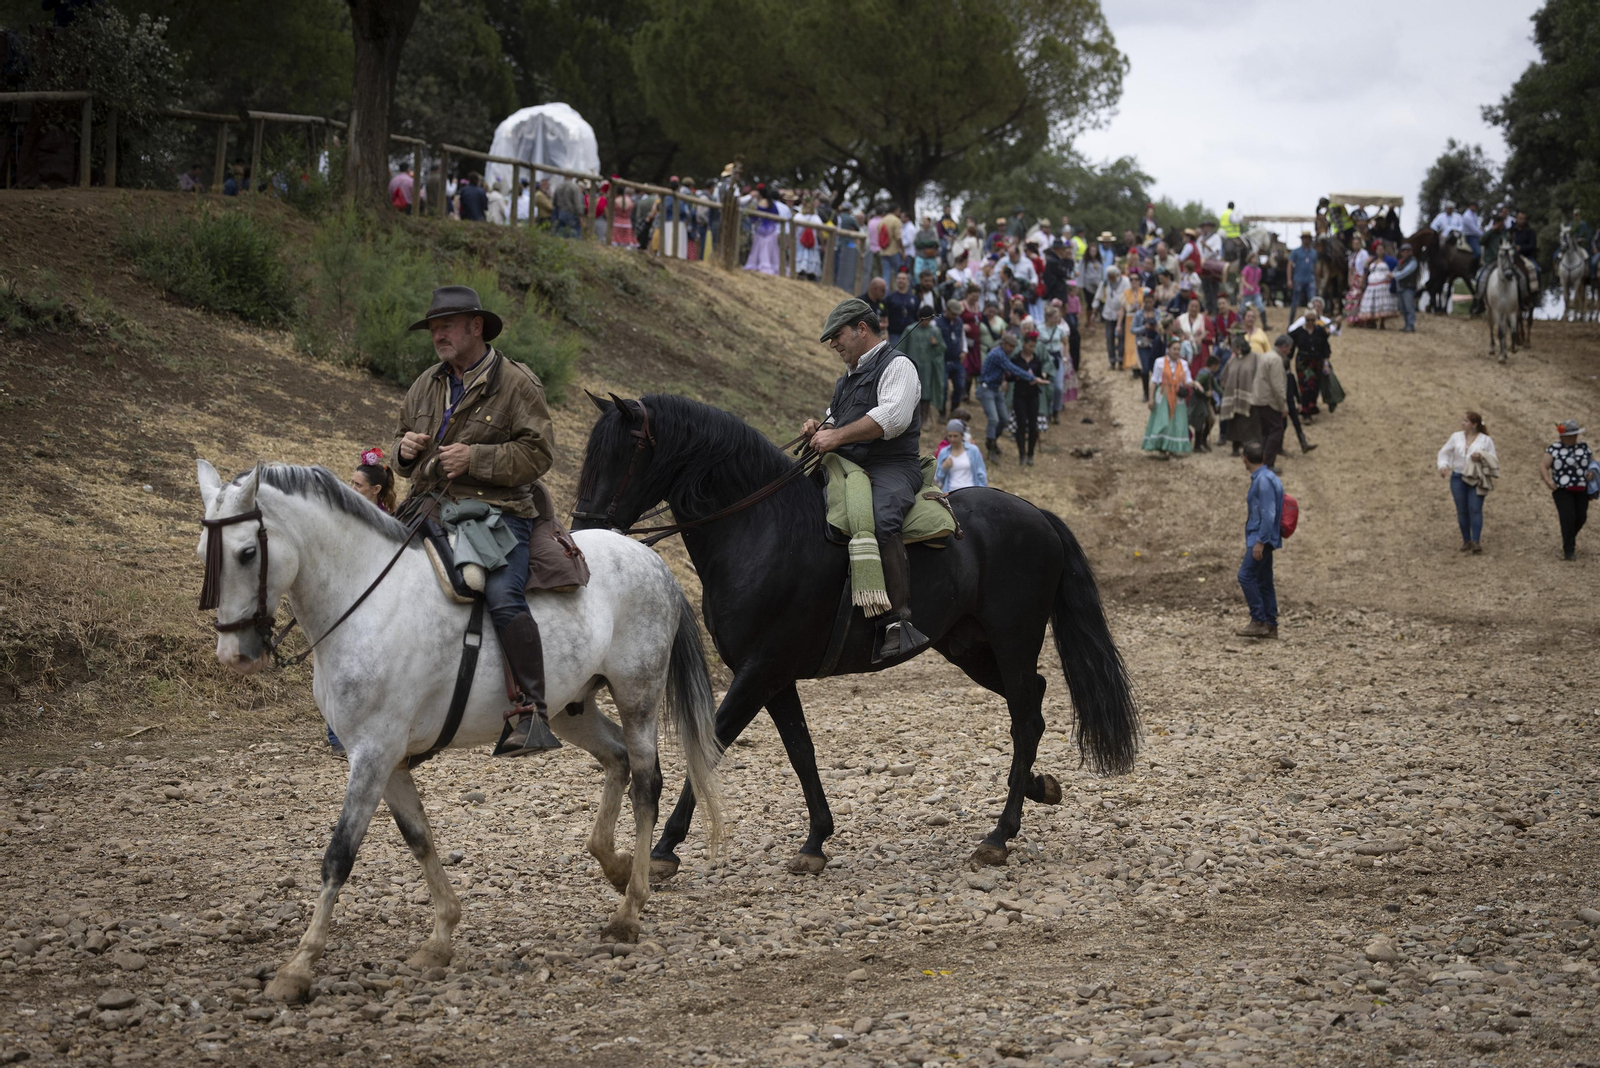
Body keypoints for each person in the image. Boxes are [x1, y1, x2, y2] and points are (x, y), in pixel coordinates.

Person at [391, 285, 562, 757]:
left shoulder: (517, 383)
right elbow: (401, 444)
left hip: (499, 514)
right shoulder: (426, 383)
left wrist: (476, 458)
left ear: (476, 327)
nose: (437, 335)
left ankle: (532, 713)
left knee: (505, 597)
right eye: (433, 328)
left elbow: (539, 453)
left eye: (446, 326)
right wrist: (401, 453)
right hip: (426, 507)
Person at [804, 298, 928, 660]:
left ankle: (897, 623)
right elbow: (835, 420)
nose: (833, 344)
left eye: (837, 335)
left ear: (861, 329)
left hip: (892, 466)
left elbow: (890, 418)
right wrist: (819, 427)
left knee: (876, 515)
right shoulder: (848, 377)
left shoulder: (899, 366)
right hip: (849, 463)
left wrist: (836, 436)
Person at [1236, 442, 1283, 639]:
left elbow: (1268, 513)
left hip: (1260, 538)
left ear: (1245, 459)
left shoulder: (1262, 481)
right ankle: (1270, 624)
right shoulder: (1270, 477)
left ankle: (1258, 620)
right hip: (1267, 537)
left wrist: (1260, 542)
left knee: (1245, 576)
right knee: (1264, 580)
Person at [1436, 412, 1498, 554]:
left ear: (1474, 425)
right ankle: (1466, 540)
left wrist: (1481, 457)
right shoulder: (1456, 437)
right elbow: (1444, 452)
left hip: (1476, 478)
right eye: (1463, 420)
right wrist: (1443, 465)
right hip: (1458, 477)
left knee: (1475, 508)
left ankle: (1476, 541)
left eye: (1466, 421)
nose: (1462, 423)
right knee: (1462, 510)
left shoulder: (1485, 440)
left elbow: (1493, 458)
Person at [1542, 420, 1593, 560]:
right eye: (1571, 435)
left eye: (1575, 434)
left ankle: (1569, 537)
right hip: (1562, 490)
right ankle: (1569, 549)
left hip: (1582, 488)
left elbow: (1592, 462)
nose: (1574, 437)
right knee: (1568, 518)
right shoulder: (1554, 448)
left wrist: (1592, 471)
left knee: (1581, 517)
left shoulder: (1583, 447)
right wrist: (1548, 480)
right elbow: (1544, 466)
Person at [978, 331, 1029, 462]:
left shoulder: (1002, 354)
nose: (1012, 349)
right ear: (1004, 344)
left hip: (996, 388)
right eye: (1010, 346)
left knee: (1005, 419)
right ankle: (991, 447)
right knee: (993, 419)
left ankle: (993, 439)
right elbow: (1012, 369)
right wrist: (1031, 377)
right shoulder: (998, 354)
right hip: (987, 388)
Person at [1142, 340, 1192, 458]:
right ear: (1168, 349)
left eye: (1178, 349)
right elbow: (1154, 380)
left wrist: (1195, 384)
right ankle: (1161, 448)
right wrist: (1151, 399)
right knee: (1163, 420)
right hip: (1163, 394)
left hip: (1177, 395)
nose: (1176, 352)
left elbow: (1188, 380)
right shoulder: (1159, 362)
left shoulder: (1183, 364)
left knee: (1176, 422)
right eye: (1174, 349)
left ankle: (1172, 447)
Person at [1009, 331, 1051, 466]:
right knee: (1021, 425)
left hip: (1033, 395)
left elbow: (1041, 375)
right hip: (1019, 394)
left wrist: (1042, 377)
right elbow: (1009, 376)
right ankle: (1021, 453)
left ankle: (1030, 454)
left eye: (1034, 346)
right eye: (1030, 346)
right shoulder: (1016, 359)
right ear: (1024, 344)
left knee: (1033, 426)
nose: (1032, 349)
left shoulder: (1036, 359)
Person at [1274, 335, 1317, 456]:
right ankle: (1280, 446)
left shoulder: (1289, 377)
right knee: (1284, 425)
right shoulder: (1287, 377)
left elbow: (1295, 391)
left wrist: (1298, 402)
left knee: (1294, 424)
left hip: (1290, 403)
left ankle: (1303, 443)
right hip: (1285, 402)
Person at [905, 304, 947, 426]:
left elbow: (942, 349)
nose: (925, 322)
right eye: (923, 319)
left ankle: (924, 418)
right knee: (911, 392)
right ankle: (912, 419)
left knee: (926, 392)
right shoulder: (910, 330)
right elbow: (902, 349)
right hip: (912, 367)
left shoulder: (935, 331)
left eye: (928, 320)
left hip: (928, 368)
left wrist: (936, 344)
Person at [1039, 301, 1074, 419]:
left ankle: (1056, 409)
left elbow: (1066, 343)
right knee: (1047, 386)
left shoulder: (1060, 330)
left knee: (1058, 386)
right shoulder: (1039, 328)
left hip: (1056, 358)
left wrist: (1065, 357)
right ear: (1048, 318)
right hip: (1044, 359)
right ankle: (1047, 409)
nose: (1057, 319)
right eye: (1055, 317)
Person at [1095, 265, 1131, 371]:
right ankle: (1112, 360)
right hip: (1109, 313)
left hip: (1121, 312)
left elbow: (1127, 296)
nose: (1111, 278)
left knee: (1121, 337)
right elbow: (1098, 296)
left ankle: (1121, 360)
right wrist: (1094, 309)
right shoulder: (1105, 283)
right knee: (1109, 337)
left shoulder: (1125, 282)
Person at [936, 418, 987, 491]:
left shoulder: (973, 450)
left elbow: (981, 474)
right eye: (950, 436)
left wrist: (982, 491)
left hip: (971, 491)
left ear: (962, 435)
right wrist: (943, 467)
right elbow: (938, 479)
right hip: (950, 492)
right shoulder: (943, 453)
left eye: (955, 436)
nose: (952, 439)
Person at [938, 301, 969, 411]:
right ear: (947, 310)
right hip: (943, 359)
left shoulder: (959, 322)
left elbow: (962, 336)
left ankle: (954, 409)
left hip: (956, 359)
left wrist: (964, 350)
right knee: (943, 387)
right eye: (953, 314)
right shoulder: (937, 322)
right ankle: (942, 411)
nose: (955, 316)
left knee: (960, 385)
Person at [744, 192, 782, 274]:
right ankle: (769, 265)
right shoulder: (772, 204)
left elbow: (753, 217)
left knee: (758, 248)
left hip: (760, 229)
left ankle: (757, 263)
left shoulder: (758, 204)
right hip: (771, 230)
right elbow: (777, 217)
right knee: (770, 250)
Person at [1288, 233, 1318, 321]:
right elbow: (1290, 265)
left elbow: (1316, 268)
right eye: (1304, 238)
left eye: (1308, 238)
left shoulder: (1314, 252)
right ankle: (1291, 322)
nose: (1306, 240)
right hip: (1298, 279)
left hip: (1311, 280)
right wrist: (1289, 279)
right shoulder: (1295, 251)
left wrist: (1317, 281)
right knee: (1295, 302)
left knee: (1313, 302)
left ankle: (1314, 322)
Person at [885, 269, 917, 348]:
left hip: (909, 333)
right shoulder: (890, 297)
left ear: (908, 282)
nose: (900, 280)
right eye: (899, 278)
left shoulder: (913, 299)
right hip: (894, 333)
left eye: (903, 279)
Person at [1392, 242, 1420, 332]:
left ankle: (1410, 325)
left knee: (1409, 307)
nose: (1405, 252)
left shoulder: (1413, 261)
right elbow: (1396, 271)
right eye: (1404, 251)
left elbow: (1405, 273)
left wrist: (1394, 275)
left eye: (1407, 250)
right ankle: (1406, 324)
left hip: (1408, 287)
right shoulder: (1401, 262)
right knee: (1403, 308)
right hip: (1401, 287)